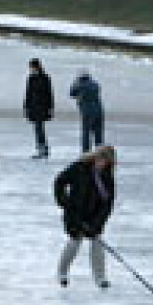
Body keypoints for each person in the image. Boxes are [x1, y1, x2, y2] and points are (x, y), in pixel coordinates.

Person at [54, 146, 117, 289]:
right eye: (100, 159)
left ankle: (100, 278)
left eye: (106, 161)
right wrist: (64, 201)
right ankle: (62, 272)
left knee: (97, 241)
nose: (102, 163)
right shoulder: (79, 168)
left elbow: (107, 204)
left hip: (93, 216)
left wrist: (97, 223)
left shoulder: (107, 178)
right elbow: (59, 181)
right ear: (95, 157)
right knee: (75, 240)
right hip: (74, 213)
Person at [24, 58, 54, 159]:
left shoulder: (45, 78)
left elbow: (49, 94)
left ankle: (43, 149)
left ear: (36, 67)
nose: (30, 69)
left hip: (42, 107)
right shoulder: (31, 78)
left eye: (31, 67)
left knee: (39, 128)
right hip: (33, 107)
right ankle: (43, 148)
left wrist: (50, 108)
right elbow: (28, 93)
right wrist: (26, 107)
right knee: (38, 129)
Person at [70, 70, 104, 153]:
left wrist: (75, 83)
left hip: (87, 111)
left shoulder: (80, 85)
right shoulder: (95, 85)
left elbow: (72, 93)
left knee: (86, 132)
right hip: (99, 110)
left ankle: (86, 152)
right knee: (98, 133)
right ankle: (99, 151)